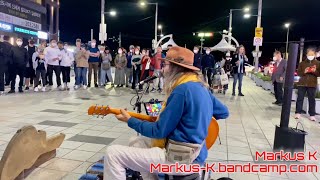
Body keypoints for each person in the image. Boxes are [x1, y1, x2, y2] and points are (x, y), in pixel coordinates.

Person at [104, 47, 229, 180]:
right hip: (197, 153)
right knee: (136, 141)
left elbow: (159, 131)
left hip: (179, 158)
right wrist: (196, 119)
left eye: (166, 65)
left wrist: (130, 120)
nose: (163, 69)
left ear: (175, 68)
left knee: (112, 153)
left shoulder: (181, 91)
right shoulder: (201, 87)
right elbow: (224, 112)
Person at [295, 48, 320, 121]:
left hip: (312, 84)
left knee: (312, 99)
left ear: (314, 55)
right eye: (309, 54)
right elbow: (298, 73)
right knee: (300, 98)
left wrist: (314, 71)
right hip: (302, 84)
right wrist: (304, 72)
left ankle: (312, 114)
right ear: (306, 55)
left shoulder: (318, 63)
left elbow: (319, 74)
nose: (310, 56)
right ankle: (298, 112)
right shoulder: (302, 63)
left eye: (312, 54)